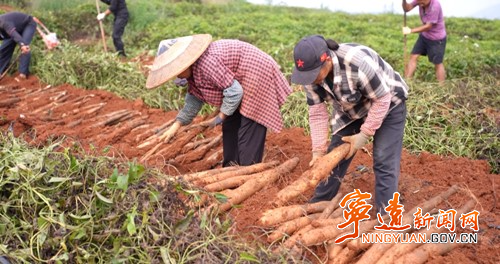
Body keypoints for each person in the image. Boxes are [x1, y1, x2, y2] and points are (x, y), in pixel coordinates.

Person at [291, 35, 409, 213]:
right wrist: (317, 151)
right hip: (351, 108)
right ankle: (318, 205)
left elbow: (382, 100)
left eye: (314, 74)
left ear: (327, 60)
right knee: (333, 158)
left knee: (384, 158)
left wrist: (364, 134)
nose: (311, 79)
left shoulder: (358, 64)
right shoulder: (310, 75)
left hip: (388, 102)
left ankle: (387, 215)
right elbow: (317, 113)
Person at [146, 34, 292, 167]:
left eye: (177, 71)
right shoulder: (193, 72)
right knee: (230, 125)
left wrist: (219, 117)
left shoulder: (206, 63)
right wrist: (175, 126)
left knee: (249, 124)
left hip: (256, 71)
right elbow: (194, 100)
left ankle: (249, 170)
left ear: (185, 62)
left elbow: (234, 92)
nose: (178, 76)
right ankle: (230, 167)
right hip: (239, 79)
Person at [402, 0, 446, 84]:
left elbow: (428, 26)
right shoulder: (419, 1)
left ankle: (442, 87)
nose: (420, 4)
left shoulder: (435, 5)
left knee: (437, 63)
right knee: (413, 56)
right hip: (425, 36)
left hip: (436, 39)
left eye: (422, 2)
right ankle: (407, 82)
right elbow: (407, 8)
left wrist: (410, 30)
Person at [0, 12, 37, 79]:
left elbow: (14, 34)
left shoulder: (3, 22)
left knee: (24, 47)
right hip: (13, 30)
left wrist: (22, 44)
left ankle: (23, 74)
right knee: (3, 49)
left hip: (27, 24)